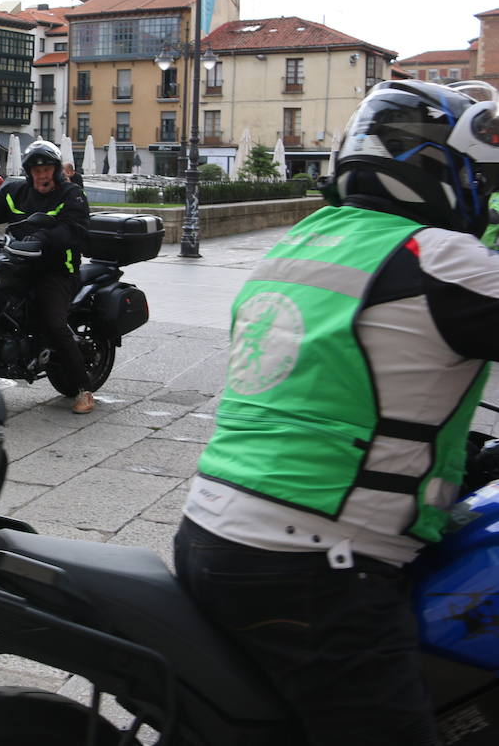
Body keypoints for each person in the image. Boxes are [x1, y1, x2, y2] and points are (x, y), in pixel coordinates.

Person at [174, 79, 499, 746]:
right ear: (443, 169)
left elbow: (354, 388)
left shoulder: (306, 239)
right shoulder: (438, 258)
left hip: (214, 532)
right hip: (316, 570)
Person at [0, 140, 94, 414]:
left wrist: (44, 238)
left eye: (47, 168)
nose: (42, 175)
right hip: (17, 263)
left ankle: (84, 388)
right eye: (36, 170)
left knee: (53, 322)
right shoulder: (16, 192)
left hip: (58, 270)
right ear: (28, 172)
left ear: (56, 169)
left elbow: (76, 230)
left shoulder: (71, 194)